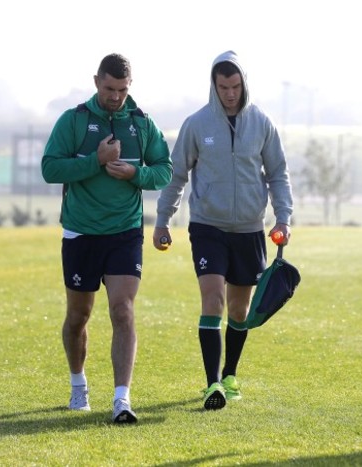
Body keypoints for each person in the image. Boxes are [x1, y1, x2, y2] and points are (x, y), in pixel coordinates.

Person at [153, 51, 294, 411]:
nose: (230, 93)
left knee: (240, 310)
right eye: (222, 87)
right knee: (212, 298)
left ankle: (230, 374)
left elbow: (277, 173)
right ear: (213, 86)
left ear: (244, 83)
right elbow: (176, 175)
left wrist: (283, 218)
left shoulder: (262, 122)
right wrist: (163, 220)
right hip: (207, 226)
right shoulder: (197, 124)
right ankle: (212, 383)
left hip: (249, 230)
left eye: (235, 86)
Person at [42, 53, 172, 423]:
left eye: (122, 89)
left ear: (130, 86)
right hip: (81, 231)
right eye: (110, 88)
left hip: (125, 232)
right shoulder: (74, 120)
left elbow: (165, 170)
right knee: (78, 316)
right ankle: (78, 383)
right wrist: (94, 161)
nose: (115, 96)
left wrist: (135, 173)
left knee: (123, 310)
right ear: (96, 81)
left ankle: (121, 400)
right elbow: (49, 168)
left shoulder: (141, 123)